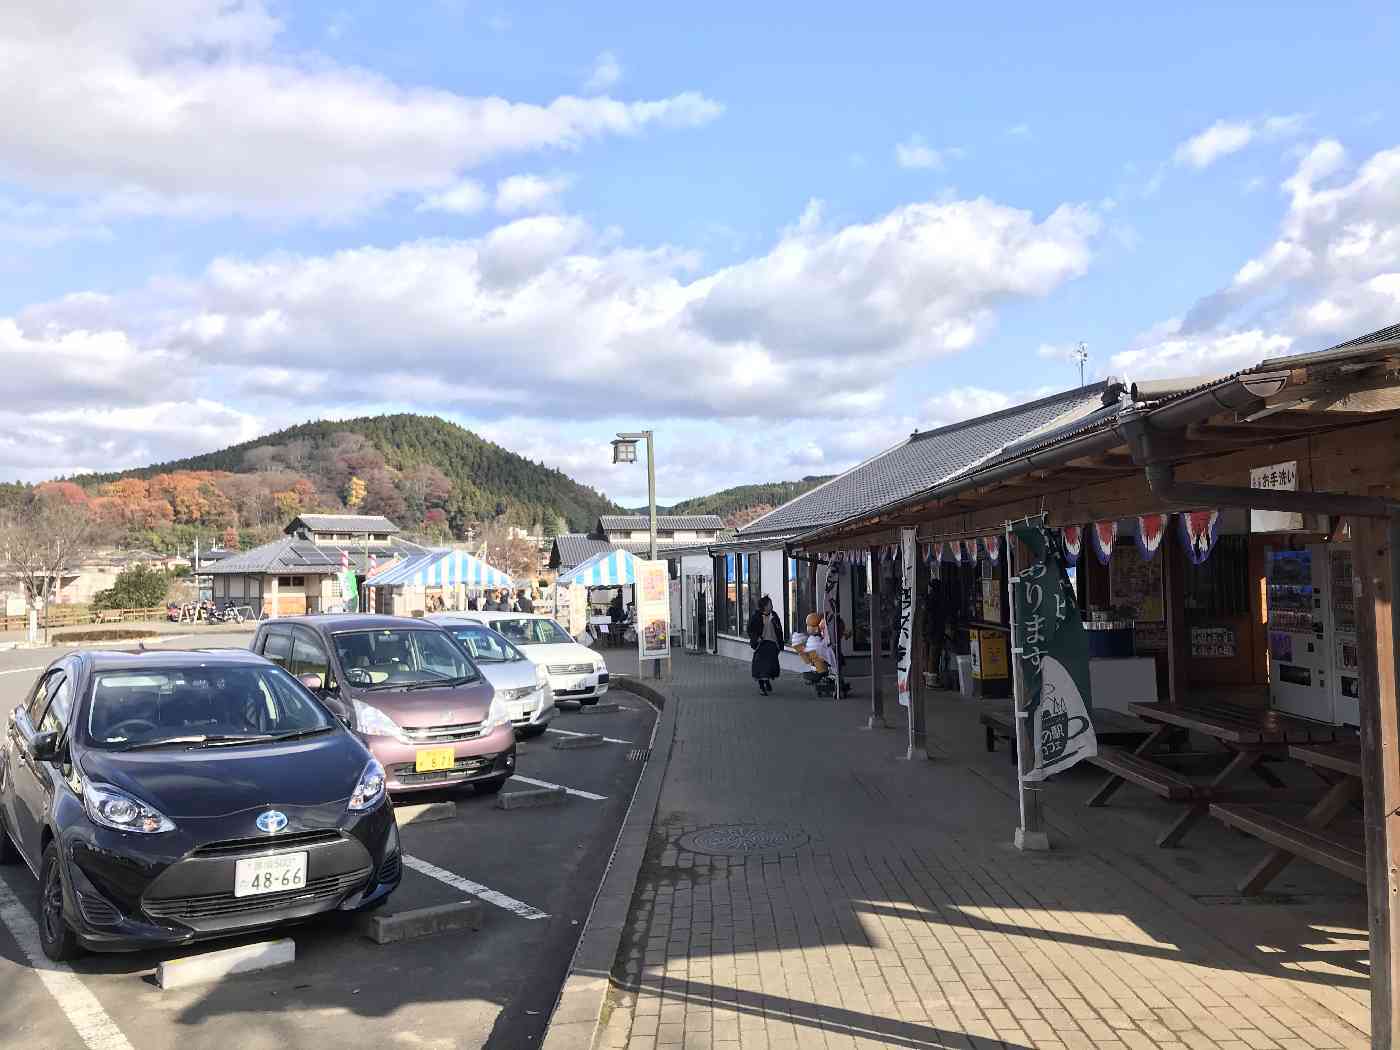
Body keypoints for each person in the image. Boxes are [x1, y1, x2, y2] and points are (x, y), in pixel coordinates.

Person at [747, 595, 784, 695]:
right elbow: (750, 630)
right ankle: (761, 686)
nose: (771, 605)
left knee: (770, 665)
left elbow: (779, 630)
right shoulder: (757, 616)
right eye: (770, 604)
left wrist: (780, 644)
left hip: (772, 643)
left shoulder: (774, 615)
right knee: (760, 665)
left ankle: (766, 681)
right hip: (761, 643)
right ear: (765, 606)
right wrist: (756, 638)